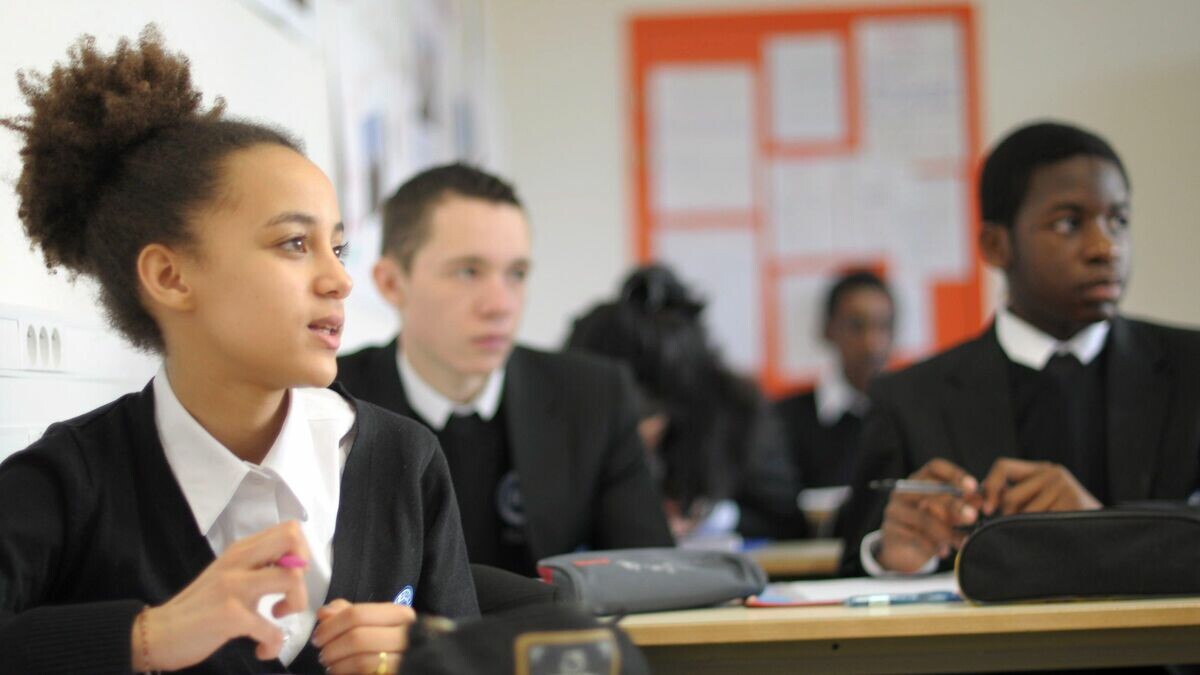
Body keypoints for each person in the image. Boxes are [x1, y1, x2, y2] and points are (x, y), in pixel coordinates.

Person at [0, 29, 477, 674]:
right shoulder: (66, 481)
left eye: (336, 248)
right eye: (292, 244)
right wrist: (145, 638)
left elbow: (476, 658)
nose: (339, 280)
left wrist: (425, 662)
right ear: (170, 277)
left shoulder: (403, 462)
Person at [838, 120, 1200, 577]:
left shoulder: (1191, 371)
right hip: (980, 650)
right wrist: (889, 555)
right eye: (1069, 223)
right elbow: (848, 568)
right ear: (995, 245)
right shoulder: (910, 399)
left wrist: (1105, 529)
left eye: (1118, 220)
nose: (1105, 247)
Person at [336, 164, 672, 576]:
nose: (500, 305)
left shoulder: (592, 396)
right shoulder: (331, 401)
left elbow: (652, 576)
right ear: (391, 284)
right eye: (468, 272)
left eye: (516, 274)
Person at [565, 264, 807, 542]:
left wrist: (714, 517)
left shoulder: (740, 416)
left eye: (648, 412)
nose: (635, 431)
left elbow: (786, 521)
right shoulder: (568, 422)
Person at [775, 270, 895, 489]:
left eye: (883, 326)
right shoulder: (784, 421)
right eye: (856, 326)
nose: (872, 344)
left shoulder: (908, 416)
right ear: (828, 329)